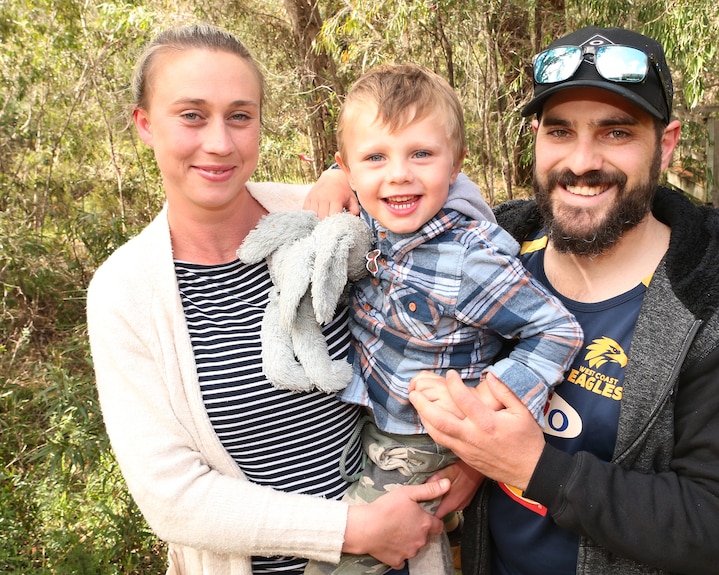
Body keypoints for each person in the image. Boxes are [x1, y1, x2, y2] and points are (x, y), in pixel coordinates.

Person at [86, 24, 480, 575]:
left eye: (240, 116)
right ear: (146, 123)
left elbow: (457, 219)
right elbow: (172, 496)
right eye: (192, 115)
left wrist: (473, 461)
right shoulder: (125, 291)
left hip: (404, 554)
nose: (220, 142)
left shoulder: (328, 216)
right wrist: (351, 529)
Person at [408, 26, 719, 575]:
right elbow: (394, 195)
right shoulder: (493, 260)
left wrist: (536, 469)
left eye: (615, 133)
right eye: (560, 132)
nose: (582, 161)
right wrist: (337, 183)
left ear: (668, 143)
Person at [303, 64, 583, 575]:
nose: (399, 174)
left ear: (455, 165)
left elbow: (556, 330)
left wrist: (483, 404)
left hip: (421, 443)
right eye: (375, 158)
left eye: (421, 154)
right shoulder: (375, 219)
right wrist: (334, 177)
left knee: (340, 566)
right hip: (370, 420)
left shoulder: (466, 259)